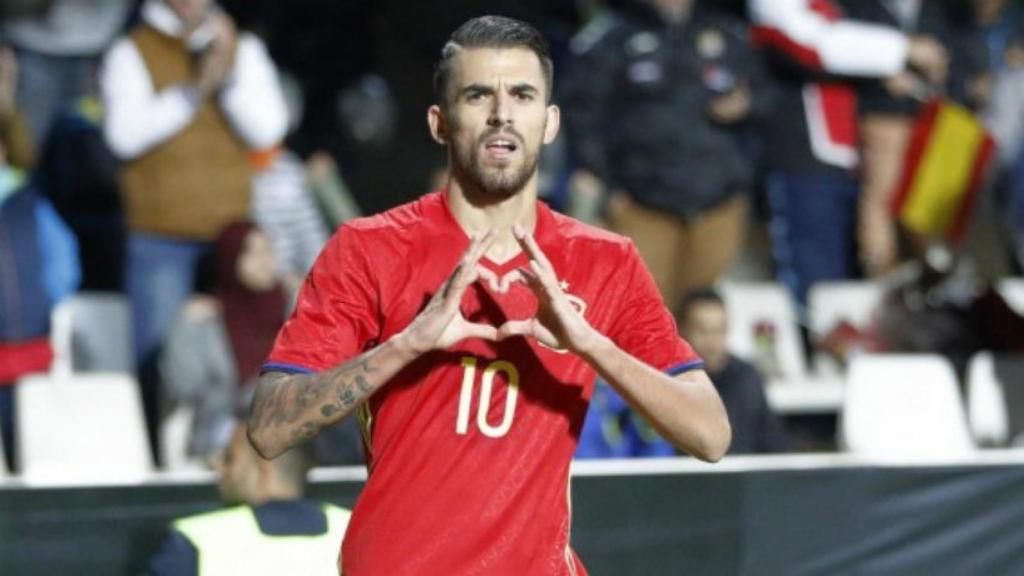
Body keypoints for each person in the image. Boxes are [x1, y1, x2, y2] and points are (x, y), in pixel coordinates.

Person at [247, 15, 731, 575]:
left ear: (549, 123)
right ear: (440, 123)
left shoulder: (605, 261)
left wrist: (590, 344)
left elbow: (711, 434)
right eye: (478, 95)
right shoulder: (367, 249)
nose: (502, 113)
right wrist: (405, 346)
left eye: (522, 95)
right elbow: (268, 428)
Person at [100, 0, 288, 463]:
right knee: (164, 362)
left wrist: (226, 75)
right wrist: (194, 88)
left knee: (246, 358)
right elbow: (124, 135)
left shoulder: (241, 49)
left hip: (232, 243)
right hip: (160, 237)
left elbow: (267, 130)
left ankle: (246, 456)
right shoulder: (132, 51)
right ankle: (163, 466)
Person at [562, 0, 766, 307]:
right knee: (643, 310)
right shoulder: (612, 36)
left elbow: (771, 96)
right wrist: (606, 182)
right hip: (642, 204)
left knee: (706, 314)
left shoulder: (727, 32)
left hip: (719, 203)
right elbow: (581, 113)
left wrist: (748, 103)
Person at [748, 0, 949, 303]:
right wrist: (903, 51)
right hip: (807, 161)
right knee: (817, 288)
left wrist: (896, 73)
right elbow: (807, 43)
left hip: (858, 158)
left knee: (869, 290)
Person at [148, 422, 351, 575]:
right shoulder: (354, 528)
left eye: (230, 457)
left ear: (262, 466)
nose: (219, 468)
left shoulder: (195, 539)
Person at [678, 288, 789, 454]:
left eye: (719, 331)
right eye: (702, 331)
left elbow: (774, 444)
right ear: (682, 331)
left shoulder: (747, 378)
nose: (712, 342)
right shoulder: (666, 379)